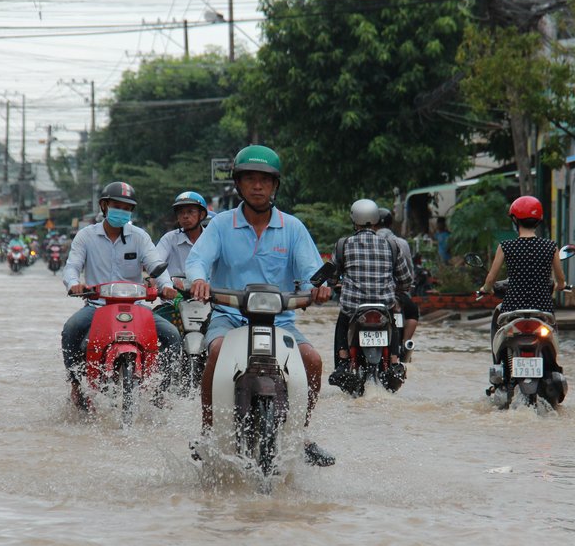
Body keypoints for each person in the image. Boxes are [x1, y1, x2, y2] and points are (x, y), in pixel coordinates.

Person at [185, 144, 335, 466]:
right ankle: (208, 431)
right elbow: (197, 260)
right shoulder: (221, 225)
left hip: (280, 322)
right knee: (216, 351)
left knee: (312, 359)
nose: (257, 186)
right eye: (250, 179)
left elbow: (311, 273)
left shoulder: (293, 228)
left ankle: (301, 435)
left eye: (264, 180)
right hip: (230, 317)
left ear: (275, 185)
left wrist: (318, 289)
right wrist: (198, 280)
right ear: (238, 184)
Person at [61, 181, 180, 407]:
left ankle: (160, 391)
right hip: (97, 307)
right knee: (71, 330)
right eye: (117, 206)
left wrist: (165, 286)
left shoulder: (140, 237)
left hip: (136, 308)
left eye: (127, 208)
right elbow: (72, 266)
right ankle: (76, 386)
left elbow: (156, 265)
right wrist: (74, 284)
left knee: (172, 335)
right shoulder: (86, 236)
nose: (122, 211)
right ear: (104, 206)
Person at [330, 199, 413, 390]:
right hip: (383, 306)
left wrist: (335, 284)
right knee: (392, 319)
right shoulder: (392, 245)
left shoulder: (343, 245)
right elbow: (406, 280)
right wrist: (397, 288)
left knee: (342, 320)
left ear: (353, 219)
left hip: (354, 308)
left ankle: (343, 362)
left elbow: (332, 276)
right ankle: (393, 361)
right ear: (376, 219)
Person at [479, 196, 566, 337]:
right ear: (539, 220)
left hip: (512, 306)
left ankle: (498, 358)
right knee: (552, 333)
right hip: (543, 307)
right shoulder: (551, 246)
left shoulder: (506, 246)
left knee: (501, 334)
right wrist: (560, 285)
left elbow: (491, 279)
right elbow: (560, 279)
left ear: (514, 219)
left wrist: (486, 289)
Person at [374, 208, 420, 361]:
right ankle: (405, 344)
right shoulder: (401, 243)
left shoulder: (363, 242)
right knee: (413, 312)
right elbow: (408, 273)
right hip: (397, 295)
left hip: (366, 296)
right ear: (390, 223)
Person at [156, 191, 208, 277]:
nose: (185, 216)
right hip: (174, 288)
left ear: (202, 215)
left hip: (206, 288)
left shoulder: (212, 238)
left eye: (190, 211)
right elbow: (156, 263)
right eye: (180, 212)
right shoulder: (169, 238)